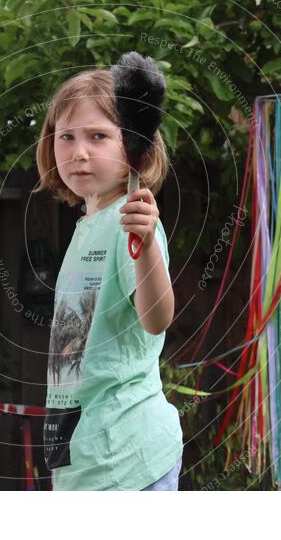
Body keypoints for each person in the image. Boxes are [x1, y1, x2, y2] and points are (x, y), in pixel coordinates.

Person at [32, 67, 183, 490]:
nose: (79, 151)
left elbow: (157, 319)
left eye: (98, 136)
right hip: (85, 459)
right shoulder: (87, 227)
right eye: (67, 136)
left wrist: (148, 243)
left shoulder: (128, 224)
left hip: (129, 457)